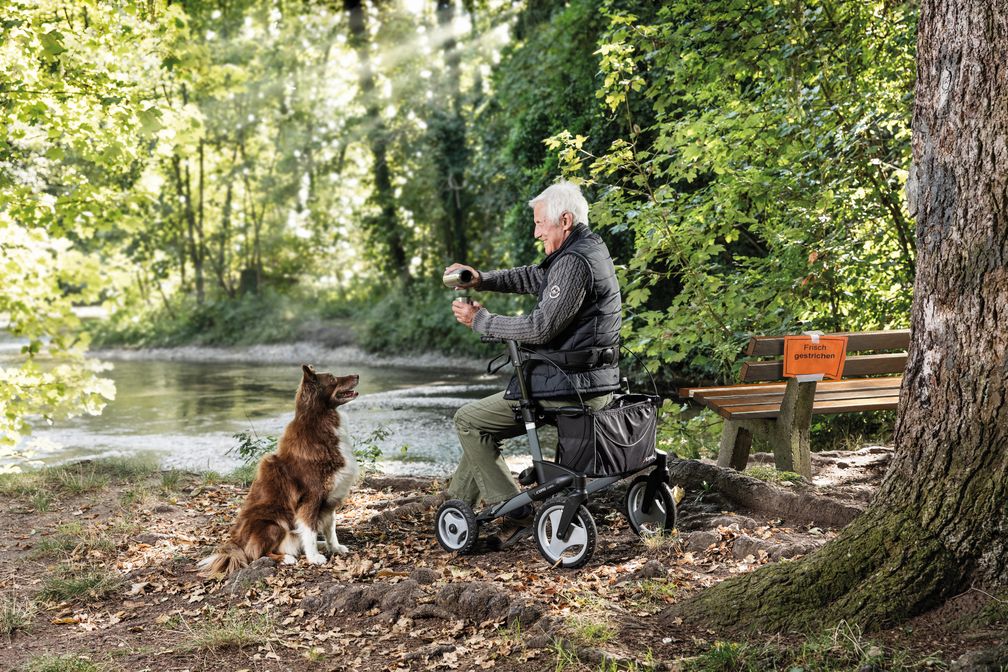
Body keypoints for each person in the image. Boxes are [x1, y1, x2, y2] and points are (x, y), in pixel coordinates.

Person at [444, 180, 622, 546]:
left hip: (569, 386)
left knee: (468, 420)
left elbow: (540, 328)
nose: (536, 231)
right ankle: (454, 511)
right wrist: (483, 279)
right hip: (594, 379)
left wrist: (482, 322)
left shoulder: (573, 263)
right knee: (479, 428)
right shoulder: (587, 248)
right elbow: (535, 277)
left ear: (566, 220)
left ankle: (516, 511)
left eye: (541, 223)